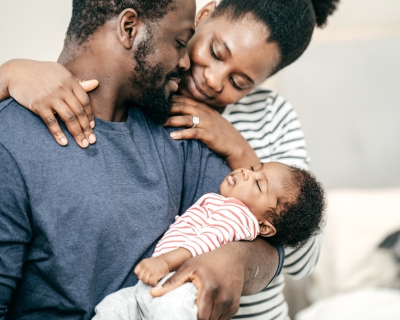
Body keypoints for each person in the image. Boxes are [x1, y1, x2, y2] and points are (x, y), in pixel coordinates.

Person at [0, 0, 340, 319]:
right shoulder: (25, 127)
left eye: (240, 82)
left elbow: (289, 246)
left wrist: (238, 154)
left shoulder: (213, 128)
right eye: (187, 43)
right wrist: (10, 71)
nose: (207, 77)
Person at [92, 162, 325, 320]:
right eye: (255, 168)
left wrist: (164, 261)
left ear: (264, 226)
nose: (246, 172)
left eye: (257, 183)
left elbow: (204, 245)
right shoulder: (222, 204)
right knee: (111, 308)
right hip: (155, 286)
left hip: (183, 290)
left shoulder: (240, 217)